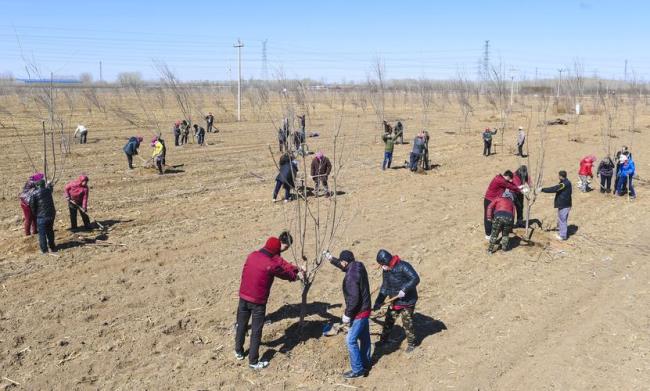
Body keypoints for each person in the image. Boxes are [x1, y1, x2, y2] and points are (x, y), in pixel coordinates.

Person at [235, 235, 301, 370]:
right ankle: (253, 361)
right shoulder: (270, 264)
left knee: (241, 325)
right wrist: (296, 276)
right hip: (258, 302)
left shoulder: (252, 255)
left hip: (243, 297)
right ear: (276, 250)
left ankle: (238, 351)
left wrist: (295, 268)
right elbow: (285, 274)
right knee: (256, 330)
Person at [325, 250, 372, 379]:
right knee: (364, 338)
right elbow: (344, 265)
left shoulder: (351, 277)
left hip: (359, 313)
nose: (341, 263)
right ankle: (366, 363)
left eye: (341, 261)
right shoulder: (358, 265)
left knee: (350, 340)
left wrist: (347, 314)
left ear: (345, 261)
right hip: (366, 308)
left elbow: (354, 299)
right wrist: (331, 259)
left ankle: (357, 370)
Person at [373, 249, 420, 353]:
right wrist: (379, 302)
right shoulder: (386, 271)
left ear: (387, 261)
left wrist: (405, 289)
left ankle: (412, 344)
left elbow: (415, 278)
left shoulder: (403, 266)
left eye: (382, 264)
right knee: (389, 320)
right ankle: (383, 340)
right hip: (395, 301)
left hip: (408, 300)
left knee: (407, 322)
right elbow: (385, 287)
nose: (382, 267)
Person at [483, 171, 521, 239]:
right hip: (489, 200)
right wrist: (520, 189)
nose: (510, 180)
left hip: (495, 200)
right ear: (507, 177)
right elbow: (509, 186)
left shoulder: (501, 178)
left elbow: (509, 183)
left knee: (494, 216)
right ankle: (488, 234)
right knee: (488, 217)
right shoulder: (500, 181)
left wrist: (518, 186)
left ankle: (493, 231)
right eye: (510, 179)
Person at [540, 170, 572, 241]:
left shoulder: (564, 184)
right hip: (563, 204)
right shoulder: (566, 182)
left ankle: (563, 236)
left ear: (560, 176)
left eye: (559, 175)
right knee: (561, 219)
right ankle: (561, 232)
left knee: (562, 220)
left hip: (564, 205)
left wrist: (543, 189)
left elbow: (555, 188)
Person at [29, 178, 57, 254]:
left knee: (42, 234)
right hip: (51, 215)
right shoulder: (48, 191)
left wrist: (36, 214)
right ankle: (52, 247)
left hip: (41, 216)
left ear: (37, 185)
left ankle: (44, 250)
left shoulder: (34, 193)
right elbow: (50, 188)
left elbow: (32, 205)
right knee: (50, 231)